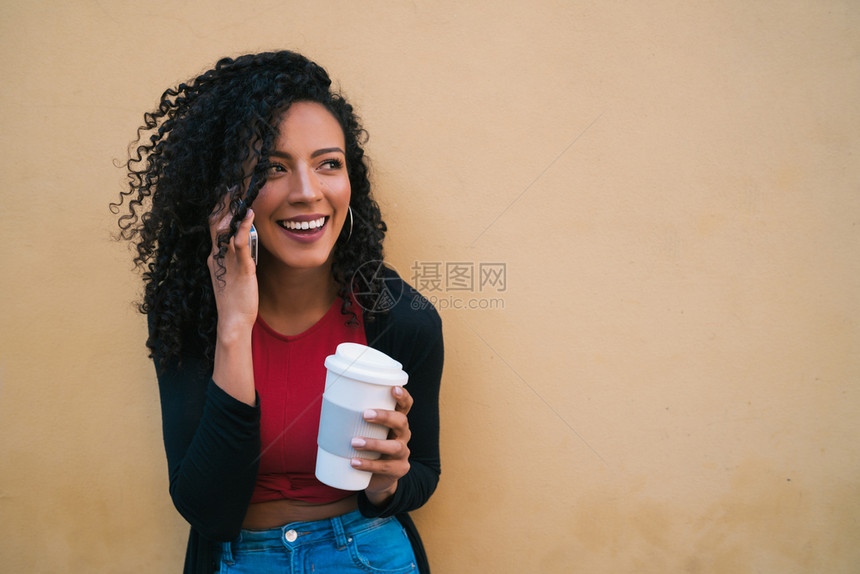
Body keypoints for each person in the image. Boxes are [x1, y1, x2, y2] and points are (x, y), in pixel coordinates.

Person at [112, 50, 443, 574]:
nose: (307, 193)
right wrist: (234, 325)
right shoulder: (191, 313)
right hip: (242, 558)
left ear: (349, 180)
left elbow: (423, 472)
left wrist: (387, 483)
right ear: (226, 191)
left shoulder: (398, 314)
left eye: (328, 164)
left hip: (369, 552)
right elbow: (207, 508)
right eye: (272, 168)